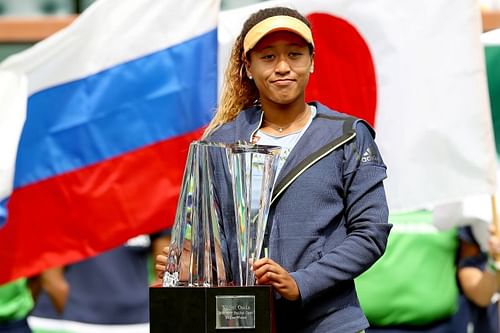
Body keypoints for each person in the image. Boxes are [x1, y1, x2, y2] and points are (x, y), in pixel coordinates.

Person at [156, 6, 392, 333]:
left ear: (312, 62)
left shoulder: (347, 136)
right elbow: (208, 236)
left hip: (331, 323)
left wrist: (302, 282)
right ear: (248, 67)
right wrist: (192, 262)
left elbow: (371, 233)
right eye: (268, 57)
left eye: (294, 54)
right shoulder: (218, 142)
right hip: (239, 322)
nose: (283, 67)